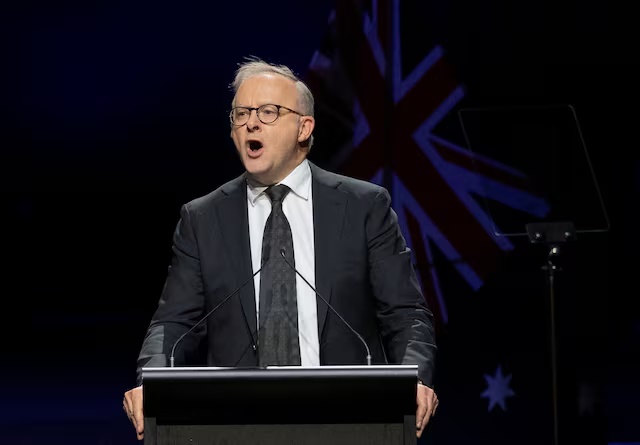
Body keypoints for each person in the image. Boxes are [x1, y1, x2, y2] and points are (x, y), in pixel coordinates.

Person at [123, 56, 439, 440]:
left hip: (348, 419)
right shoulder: (203, 218)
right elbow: (172, 324)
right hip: (234, 424)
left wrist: (416, 378)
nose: (251, 122)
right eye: (241, 114)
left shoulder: (363, 207)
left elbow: (406, 314)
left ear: (304, 127)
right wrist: (150, 380)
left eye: (269, 112)